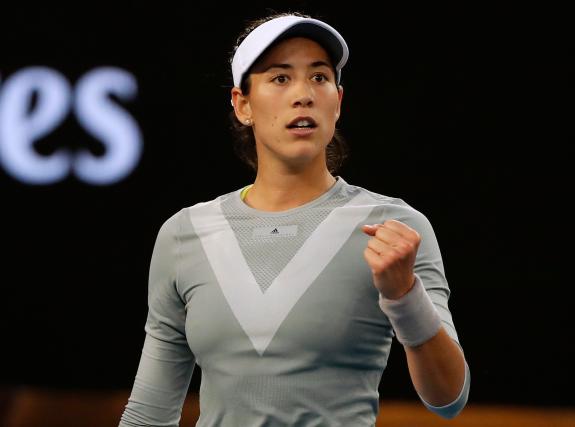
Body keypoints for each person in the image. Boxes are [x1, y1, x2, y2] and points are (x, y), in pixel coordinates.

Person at [119, 12, 470, 427]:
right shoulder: (184, 233)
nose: (303, 94)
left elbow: (449, 398)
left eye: (319, 77)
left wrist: (404, 295)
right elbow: (149, 413)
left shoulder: (396, 227)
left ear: (338, 102)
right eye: (280, 78)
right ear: (242, 104)